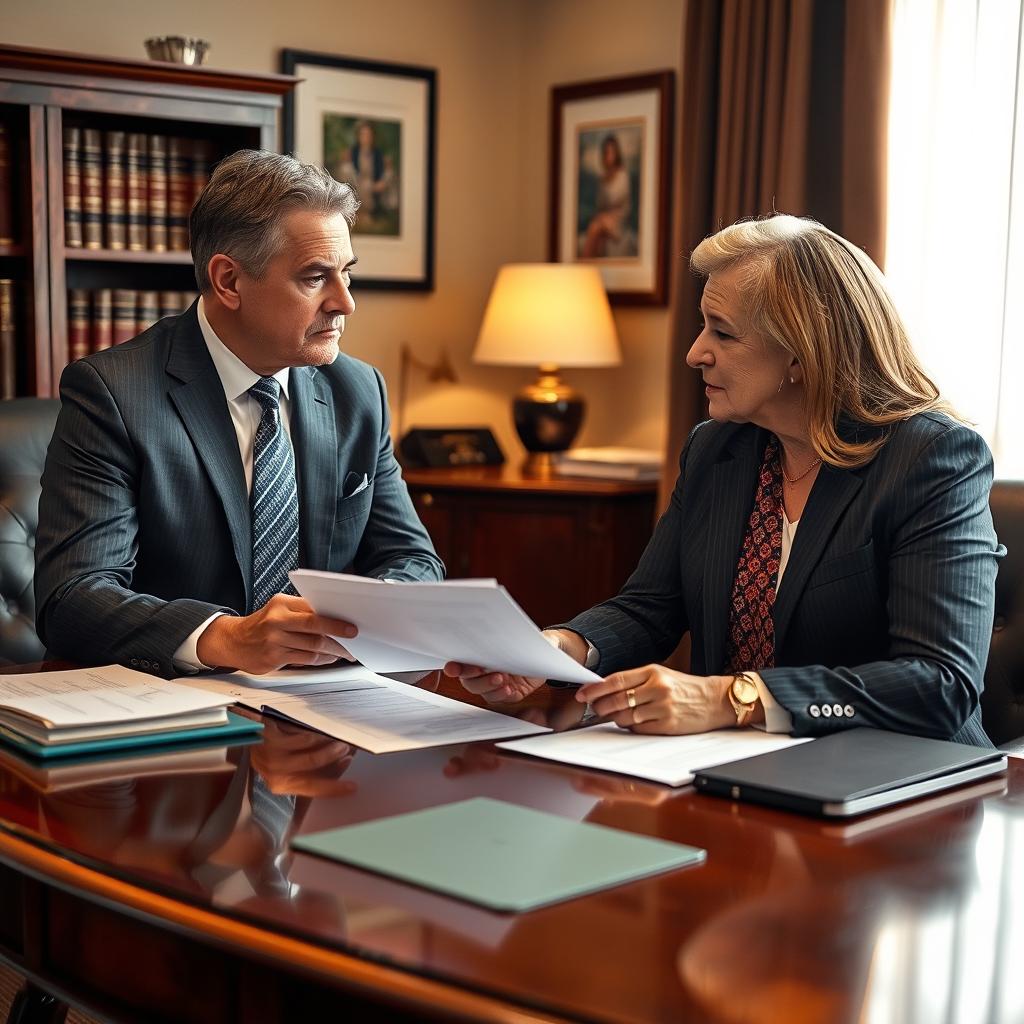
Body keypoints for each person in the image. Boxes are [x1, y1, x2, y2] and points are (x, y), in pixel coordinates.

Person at [448, 214, 1004, 746]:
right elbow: (650, 608)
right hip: (732, 771)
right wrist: (557, 648)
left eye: (723, 333)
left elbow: (939, 686)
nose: (695, 353)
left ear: (802, 354)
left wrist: (733, 699)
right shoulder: (717, 448)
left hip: (901, 789)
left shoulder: (932, 458)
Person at [35, 149, 443, 678]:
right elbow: (73, 598)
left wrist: (372, 613)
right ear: (229, 281)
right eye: (316, 277)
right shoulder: (114, 393)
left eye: (347, 273)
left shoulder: (358, 390)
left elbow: (415, 562)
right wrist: (226, 637)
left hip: (329, 705)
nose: (345, 303)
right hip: (177, 715)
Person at [580, 134, 633, 259]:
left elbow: (616, 201)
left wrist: (605, 212)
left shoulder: (622, 175)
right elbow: (600, 204)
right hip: (605, 219)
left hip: (619, 219)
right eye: (606, 153)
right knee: (597, 231)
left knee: (594, 227)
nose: (609, 156)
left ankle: (583, 261)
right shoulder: (603, 178)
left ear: (616, 154)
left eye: (611, 152)